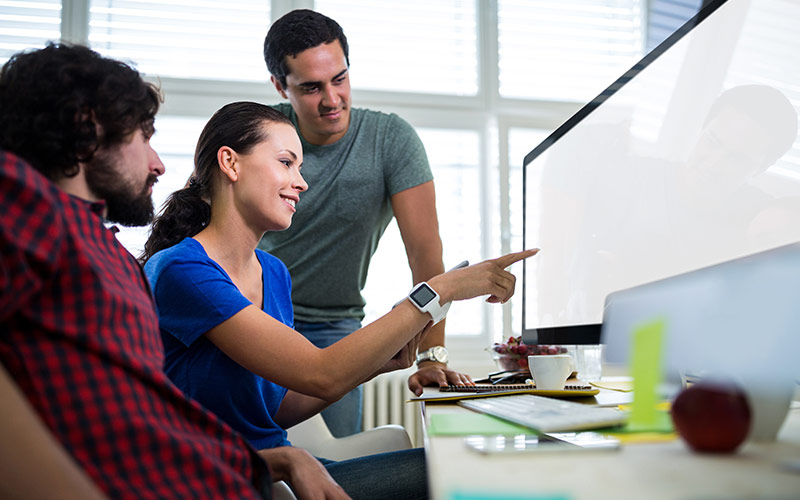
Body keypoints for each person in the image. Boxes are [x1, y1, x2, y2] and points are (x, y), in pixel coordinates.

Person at [140, 101, 537, 499]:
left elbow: (276, 408)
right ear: (230, 162)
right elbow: (321, 372)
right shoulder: (181, 270)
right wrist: (443, 288)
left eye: (300, 167)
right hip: (227, 481)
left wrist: (379, 365)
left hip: (279, 468)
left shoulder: (273, 273)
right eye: (285, 162)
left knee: (459, 459)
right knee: (466, 467)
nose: (301, 183)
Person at [0, 44, 274, 499]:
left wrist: (256, 460)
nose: (159, 164)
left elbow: (140, 416)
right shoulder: (27, 200)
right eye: (144, 136)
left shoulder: (107, 251)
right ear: (87, 128)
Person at [259, 9, 471, 436]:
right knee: (254, 454)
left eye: (339, 79)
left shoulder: (390, 141)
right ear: (281, 87)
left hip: (336, 327)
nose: (332, 99)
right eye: (311, 87)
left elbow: (426, 255)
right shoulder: (258, 135)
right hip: (258, 317)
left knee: (337, 465)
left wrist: (432, 355)